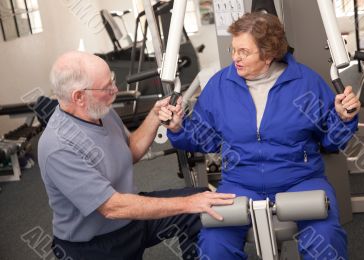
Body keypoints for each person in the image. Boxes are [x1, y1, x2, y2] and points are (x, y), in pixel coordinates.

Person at [159, 12, 361, 259]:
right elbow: (205, 140)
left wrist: (344, 117)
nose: (235, 57)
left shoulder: (305, 83)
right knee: (213, 245)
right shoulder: (220, 85)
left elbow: (331, 141)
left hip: (300, 179)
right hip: (240, 183)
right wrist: (178, 128)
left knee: (326, 240)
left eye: (244, 51)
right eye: (233, 49)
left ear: (268, 54)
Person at [38, 51, 235, 260]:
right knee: (193, 203)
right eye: (107, 87)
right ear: (79, 97)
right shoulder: (58, 147)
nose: (116, 90)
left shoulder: (100, 110)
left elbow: (129, 151)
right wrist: (188, 203)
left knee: (201, 209)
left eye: (112, 81)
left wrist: (155, 115)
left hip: (132, 219)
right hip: (94, 246)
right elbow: (112, 207)